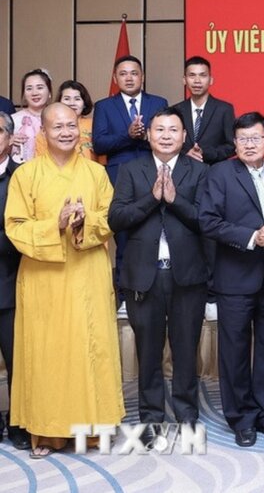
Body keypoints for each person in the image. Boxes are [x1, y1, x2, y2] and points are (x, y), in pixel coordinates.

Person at [6, 103, 124, 457]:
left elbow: (110, 219)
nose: (66, 132)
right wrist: (54, 225)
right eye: (57, 127)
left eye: (71, 125)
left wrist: (85, 223)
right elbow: (15, 226)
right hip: (44, 277)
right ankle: (47, 433)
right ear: (43, 132)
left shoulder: (96, 173)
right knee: (47, 353)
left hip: (87, 272)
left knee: (91, 349)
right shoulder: (25, 175)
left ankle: (93, 430)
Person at [109, 107, 209, 440]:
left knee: (185, 349)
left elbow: (206, 221)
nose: (166, 135)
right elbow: (116, 219)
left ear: (184, 136)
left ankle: (186, 413)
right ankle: (151, 417)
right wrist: (152, 200)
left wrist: (175, 200)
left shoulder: (199, 171)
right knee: (148, 351)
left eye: (173, 130)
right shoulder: (130, 170)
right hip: (144, 275)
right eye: (160, 130)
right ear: (149, 135)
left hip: (187, 275)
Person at [198, 112, 264, 448]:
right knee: (235, 352)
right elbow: (208, 221)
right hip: (235, 276)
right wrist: (253, 236)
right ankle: (241, 418)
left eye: (256, 138)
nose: (249, 144)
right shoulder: (220, 174)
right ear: (234, 143)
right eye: (243, 139)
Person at [93, 55, 168, 310]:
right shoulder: (104, 106)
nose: (129, 78)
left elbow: (167, 137)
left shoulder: (158, 103)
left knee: (155, 232)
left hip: (153, 173)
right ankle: (125, 296)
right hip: (120, 176)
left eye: (134, 73)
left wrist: (145, 136)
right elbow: (99, 143)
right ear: (115, 78)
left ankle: (157, 292)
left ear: (142, 77)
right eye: (123, 73)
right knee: (124, 236)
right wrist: (128, 136)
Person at [174, 56, 236, 322]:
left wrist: (205, 153)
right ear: (184, 79)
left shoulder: (224, 109)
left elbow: (231, 146)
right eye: (192, 75)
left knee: (211, 239)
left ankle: (212, 295)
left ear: (211, 79)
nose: (197, 80)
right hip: (183, 180)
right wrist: (186, 152)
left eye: (202, 75)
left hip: (213, 180)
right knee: (184, 236)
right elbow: (167, 142)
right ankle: (186, 294)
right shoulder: (175, 110)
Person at [0, 111, 29, 450]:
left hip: (13, 280)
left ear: (10, 138)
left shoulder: (23, 176)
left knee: (18, 359)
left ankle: (19, 421)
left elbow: (26, 229)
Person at [34, 80, 96, 162]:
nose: (72, 103)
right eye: (67, 99)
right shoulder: (48, 128)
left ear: (84, 103)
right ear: (59, 102)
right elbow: (40, 160)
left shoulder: (95, 125)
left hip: (88, 169)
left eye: (77, 99)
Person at [11, 69, 52, 163]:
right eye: (29, 88)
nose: (34, 93)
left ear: (49, 93)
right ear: (24, 94)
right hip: (21, 169)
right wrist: (9, 142)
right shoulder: (13, 120)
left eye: (40, 88)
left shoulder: (58, 119)